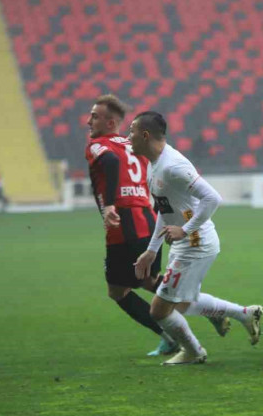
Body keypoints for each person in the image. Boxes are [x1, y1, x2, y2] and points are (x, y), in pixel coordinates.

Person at [85, 95, 229, 357]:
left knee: (118, 290)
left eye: (94, 116)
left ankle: (172, 338)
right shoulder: (140, 151)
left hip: (125, 220)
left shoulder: (99, 145)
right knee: (151, 280)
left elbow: (110, 163)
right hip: (150, 218)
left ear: (110, 121)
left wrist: (108, 205)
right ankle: (210, 313)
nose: (89, 121)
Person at [131, 111, 263, 366]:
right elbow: (165, 210)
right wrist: (151, 250)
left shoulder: (173, 166)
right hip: (187, 243)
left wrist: (185, 229)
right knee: (181, 304)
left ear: (145, 135)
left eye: (132, 131)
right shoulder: (154, 164)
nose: (129, 137)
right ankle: (245, 314)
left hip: (196, 244)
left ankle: (194, 351)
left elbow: (213, 198)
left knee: (160, 310)